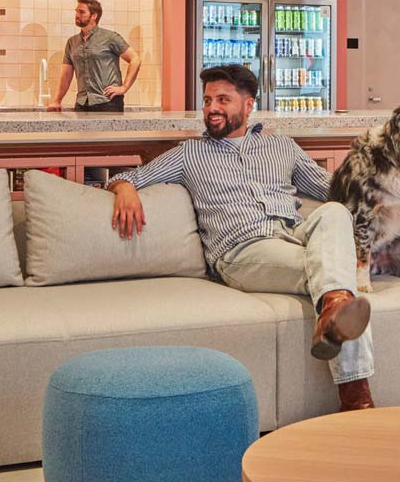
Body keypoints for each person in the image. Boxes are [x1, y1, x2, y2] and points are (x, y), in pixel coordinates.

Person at [104, 63, 376, 411]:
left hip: (293, 234)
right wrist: (124, 189)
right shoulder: (190, 154)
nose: (212, 108)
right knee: (336, 274)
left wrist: (385, 193)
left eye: (222, 99)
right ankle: (356, 395)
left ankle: (335, 309)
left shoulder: (282, 147)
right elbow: (131, 176)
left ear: (248, 106)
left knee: (335, 214)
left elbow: (336, 194)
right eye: (206, 100)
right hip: (242, 251)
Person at [48, 0, 141, 112]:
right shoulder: (72, 42)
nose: (77, 15)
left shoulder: (110, 37)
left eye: (82, 12)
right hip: (82, 103)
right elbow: (66, 74)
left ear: (94, 16)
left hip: (108, 102)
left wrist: (124, 88)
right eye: (76, 11)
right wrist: (57, 100)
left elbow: (135, 59)